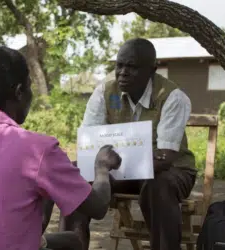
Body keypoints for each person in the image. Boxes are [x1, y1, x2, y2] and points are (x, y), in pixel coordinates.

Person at [0, 46, 122, 250]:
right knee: (74, 242)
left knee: (68, 241)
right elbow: (99, 206)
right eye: (30, 87)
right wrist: (101, 168)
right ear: (19, 92)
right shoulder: (38, 149)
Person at [61, 38, 197, 250]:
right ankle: (71, 246)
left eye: (132, 67)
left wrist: (107, 164)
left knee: (158, 186)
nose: (122, 72)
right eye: (119, 65)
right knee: (76, 180)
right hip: (119, 169)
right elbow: (90, 143)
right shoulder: (104, 93)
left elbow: (166, 157)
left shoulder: (172, 97)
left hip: (169, 170)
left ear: (152, 69)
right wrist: (95, 166)